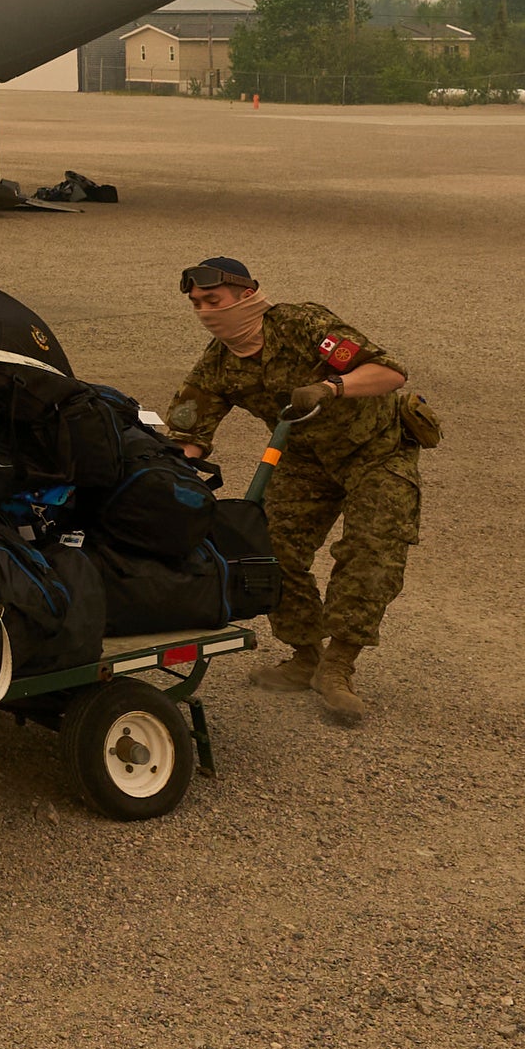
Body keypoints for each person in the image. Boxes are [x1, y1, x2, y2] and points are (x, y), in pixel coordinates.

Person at [163, 255, 420, 727]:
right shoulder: (218, 364)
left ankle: (338, 668)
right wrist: (166, 476)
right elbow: (189, 435)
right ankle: (306, 656)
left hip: (376, 451)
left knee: (371, 551)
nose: (204, 312)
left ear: (247, 295)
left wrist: (333, 386)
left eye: (213, 300)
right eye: (197, 304)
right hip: (304, 463)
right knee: (273, 551)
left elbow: (390, 372)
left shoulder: (303, 325)